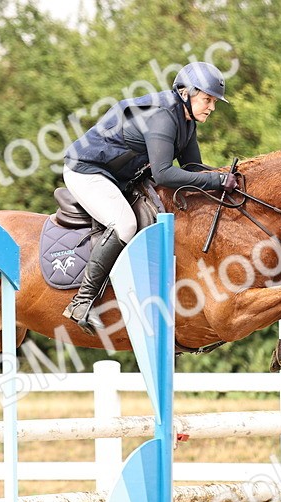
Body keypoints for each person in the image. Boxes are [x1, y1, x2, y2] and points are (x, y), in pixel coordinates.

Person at [61, 61, 238, 334]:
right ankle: (81, 301)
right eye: (207, 99)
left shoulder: (186, 121)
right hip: (86, 171)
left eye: (214, 101)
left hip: (118, 177)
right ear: (185, 93)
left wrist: (229, 176)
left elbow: (193, 169)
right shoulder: (163, 117)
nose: (212, 107)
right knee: (125, 225)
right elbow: (164, 174)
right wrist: (217, 180)